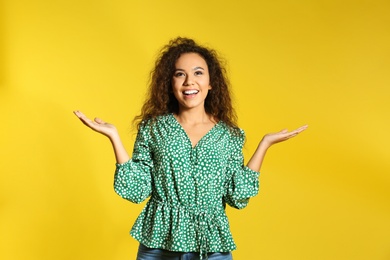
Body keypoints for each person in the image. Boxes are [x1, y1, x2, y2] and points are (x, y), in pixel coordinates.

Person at [74, 37, 307, 260]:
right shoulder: (154, 128)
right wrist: (113, 136)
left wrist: (265, 144)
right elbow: (136, 189)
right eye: (179, 74)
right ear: (170, 83)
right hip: (158, 247)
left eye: (198, 73)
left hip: (212, 248)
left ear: (211, 82)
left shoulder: (229, 135)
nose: (189, 81)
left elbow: (237, 197)